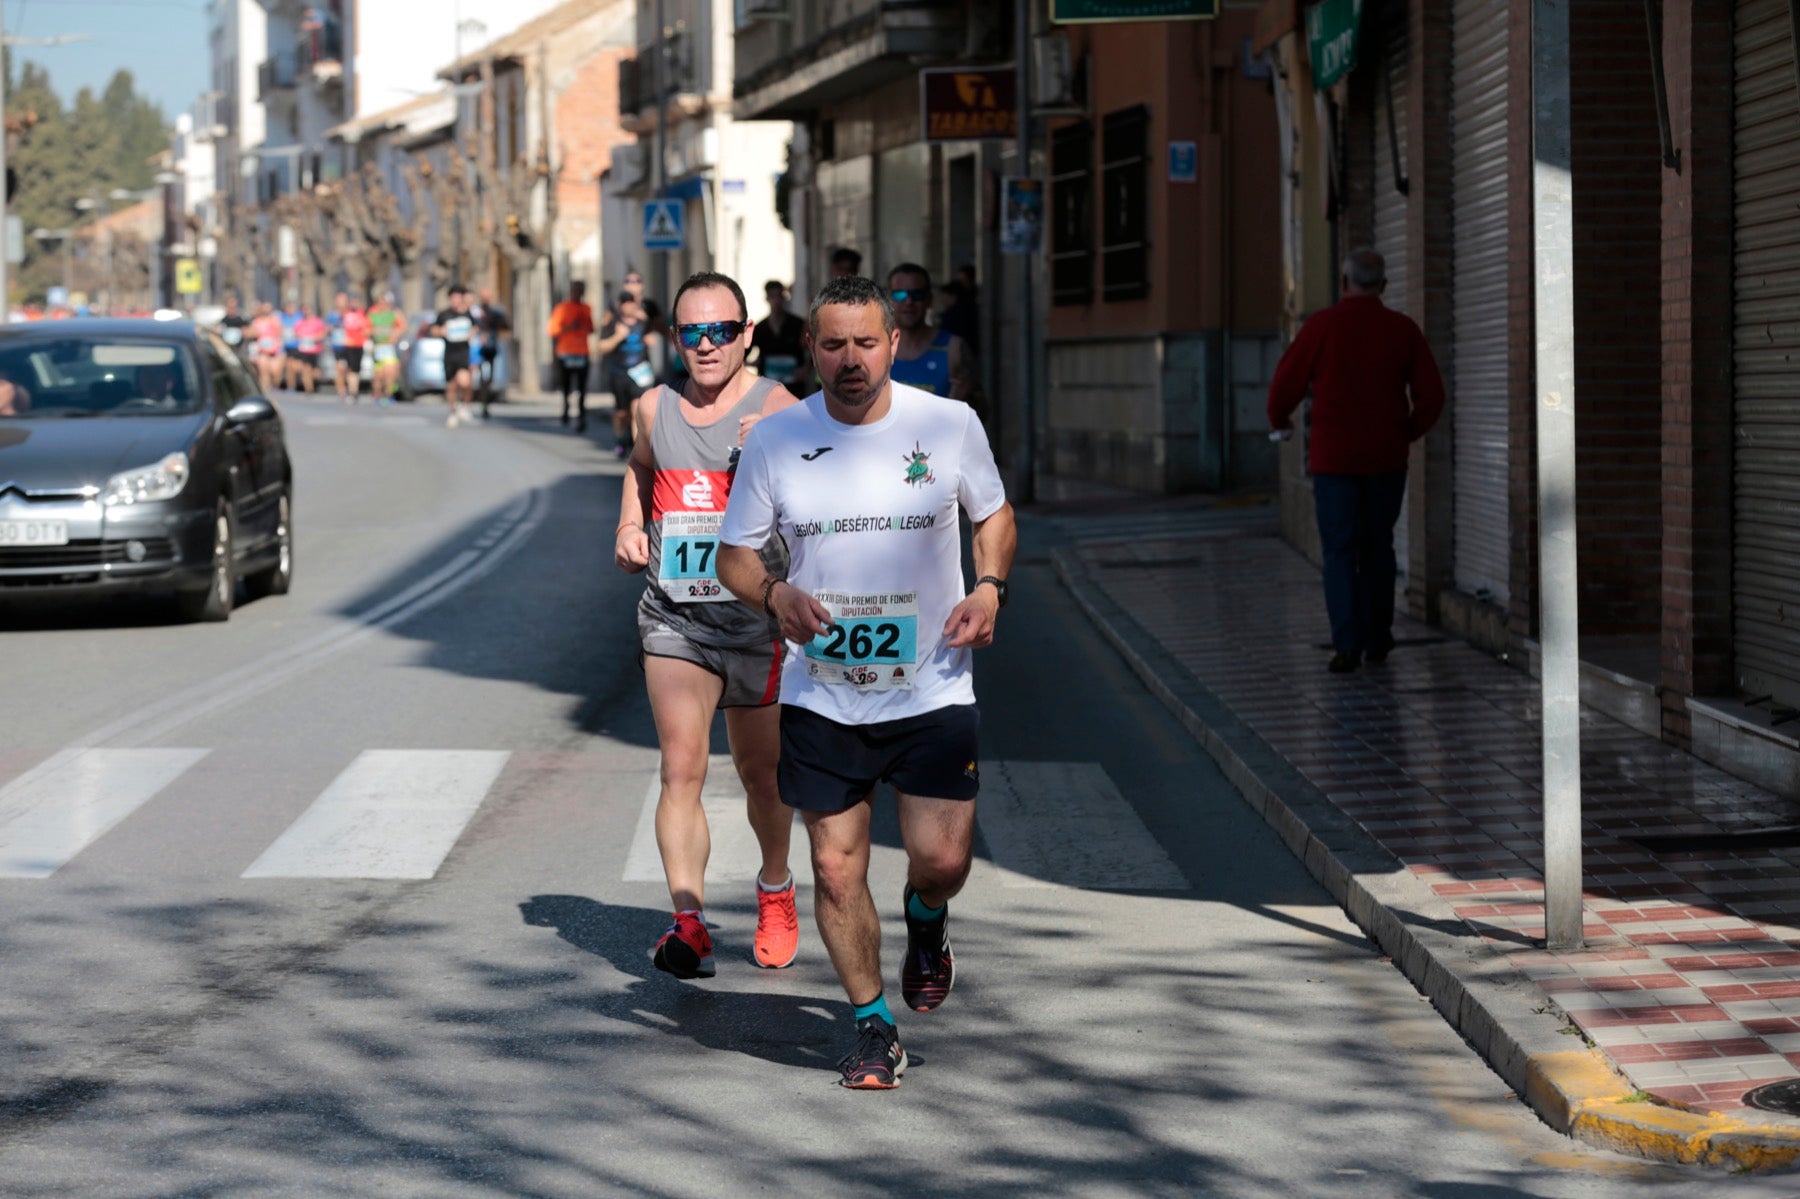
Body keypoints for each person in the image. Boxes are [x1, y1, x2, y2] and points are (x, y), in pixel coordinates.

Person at [717, 275, 1016, 1091]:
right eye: (834, 344)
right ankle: (872, 1024)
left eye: (866, 342)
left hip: (932, 685)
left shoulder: (948, 424)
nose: (851, 360)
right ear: (810, 349)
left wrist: (988, 589)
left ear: (892, 342)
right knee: (837, 867)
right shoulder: (778, 439)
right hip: (823, 691)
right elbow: (734, 554)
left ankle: (927, 919)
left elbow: (993, 515)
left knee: (942, 859)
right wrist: (774, 592)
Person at [613, 269, 803, 981]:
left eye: (722, 330)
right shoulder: (651, 407)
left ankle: (776, 888)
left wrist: (789, 441)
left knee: (762, 775)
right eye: (693, 332)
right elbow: (638, 467)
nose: (707, 344)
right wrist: (631, 523)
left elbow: (831, 483)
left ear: (747, 334)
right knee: (681, 765)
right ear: (676, 338)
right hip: (676, 619)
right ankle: (687, 923)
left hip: (756, 622)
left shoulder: (783, 405)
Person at [1267, 247, 1446, 674]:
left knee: (1340, 551)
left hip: (1334, 463)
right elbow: (1432, 396)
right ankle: (1378, 638)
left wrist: (1282, 422)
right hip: (1386, 460)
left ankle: (1347, 645)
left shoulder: (1320, 327)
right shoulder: (1402, 330)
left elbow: (1283, 385)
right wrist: (1405, 430)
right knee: (1378, 547)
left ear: (1343, 283)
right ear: (1383, 285)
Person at [886, 264, 974, 401]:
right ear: (889, 300)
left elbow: (982, 411)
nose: (909, 301)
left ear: (929, 300)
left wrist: (967, 401)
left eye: (917, 294)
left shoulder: (953, 349)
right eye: (900, 294)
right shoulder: (874, 349)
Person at [599, 294, 659, 458]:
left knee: (636, 409)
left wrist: (650, 338)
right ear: (620, 305)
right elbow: (602, 347)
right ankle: (620, 439)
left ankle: (636, 449)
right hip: (619, 374)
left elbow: (655, 330)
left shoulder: (643, 323)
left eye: (631, 303)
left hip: (639, 374)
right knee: (621, 413)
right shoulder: (613, 324)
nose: (628, 307)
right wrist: (618, 336)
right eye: (624, 303)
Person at [548, 280, 596, 430]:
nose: (578, 293)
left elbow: (591, 328)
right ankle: (566, 410)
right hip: (566, 352)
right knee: (566, 385)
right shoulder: (562, 308)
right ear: (571, 291)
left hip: (582, 352)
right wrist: (570, 327)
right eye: (576, 290)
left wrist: (585, 324)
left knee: (582, 386)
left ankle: (581, 414)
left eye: (581, 290)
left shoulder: (586, 308)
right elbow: (553, 330)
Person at [430, 285, 478, 428]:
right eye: (453, 298)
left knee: (465, 382)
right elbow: (433, 330)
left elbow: (476, 327)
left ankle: (465, 406)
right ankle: (452, 412)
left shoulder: (467, 314)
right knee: (451, 386)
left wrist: (472, 333)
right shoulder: (444, 314)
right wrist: (440, 331)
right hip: (449, 354)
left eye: (459, 297)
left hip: (463, 352)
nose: (456, 300)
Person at [748, 279, 806, 389]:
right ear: (767, 299)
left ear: (784, 297)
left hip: (794, 388)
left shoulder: (798, 325)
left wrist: (806, 368)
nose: (776, 301)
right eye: (772, 296)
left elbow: (812, 349)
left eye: (779, 296)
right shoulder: (760, 329)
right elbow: (743, 353)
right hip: (768, 389)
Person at [474, 286, 511, 420]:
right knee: (481, 376)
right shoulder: (476, 312)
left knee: (488, 377)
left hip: (491, 348)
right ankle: (478, 401)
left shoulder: (495, 312)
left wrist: (496, 328)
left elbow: (505, 325)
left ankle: (485, 402)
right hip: (477, 348)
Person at [332, 292, 371, 404]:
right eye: (352, 302)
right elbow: (339, 311)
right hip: (346, 345)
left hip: (358, 345)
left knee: (355, 369)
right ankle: (346, 390)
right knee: (344, 368)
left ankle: (353, 392)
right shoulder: (345, 313)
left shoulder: (363, 313)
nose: (354, 304)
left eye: (356, 302)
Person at [367, 291, 405, 402]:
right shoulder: (372, 314)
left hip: (389, 348)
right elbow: (365, 330)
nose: (382, 304)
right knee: (379, 375)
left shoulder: (394, 313)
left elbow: (403, 326)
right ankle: (377, 394)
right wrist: (373, 331)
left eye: (385, 302)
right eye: (380, 302)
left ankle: (388, 395)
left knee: (390, 372)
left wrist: (395, 334)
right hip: (377, 347)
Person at [250, 303, 286, 394]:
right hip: (263, 351)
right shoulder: (257, 321)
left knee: (275, 372)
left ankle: (275, 385)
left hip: (275, 350)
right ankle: (265, 391)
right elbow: (252, 333)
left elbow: (280, 332)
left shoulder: (275, 320)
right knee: (263, 370)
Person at [218, 294, 251, 363]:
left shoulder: (242, 320)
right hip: (227, 352)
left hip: (240, 352)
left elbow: (248, 333)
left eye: (234, 305)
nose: (232, 307)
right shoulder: (223, 321)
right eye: (230, 305)